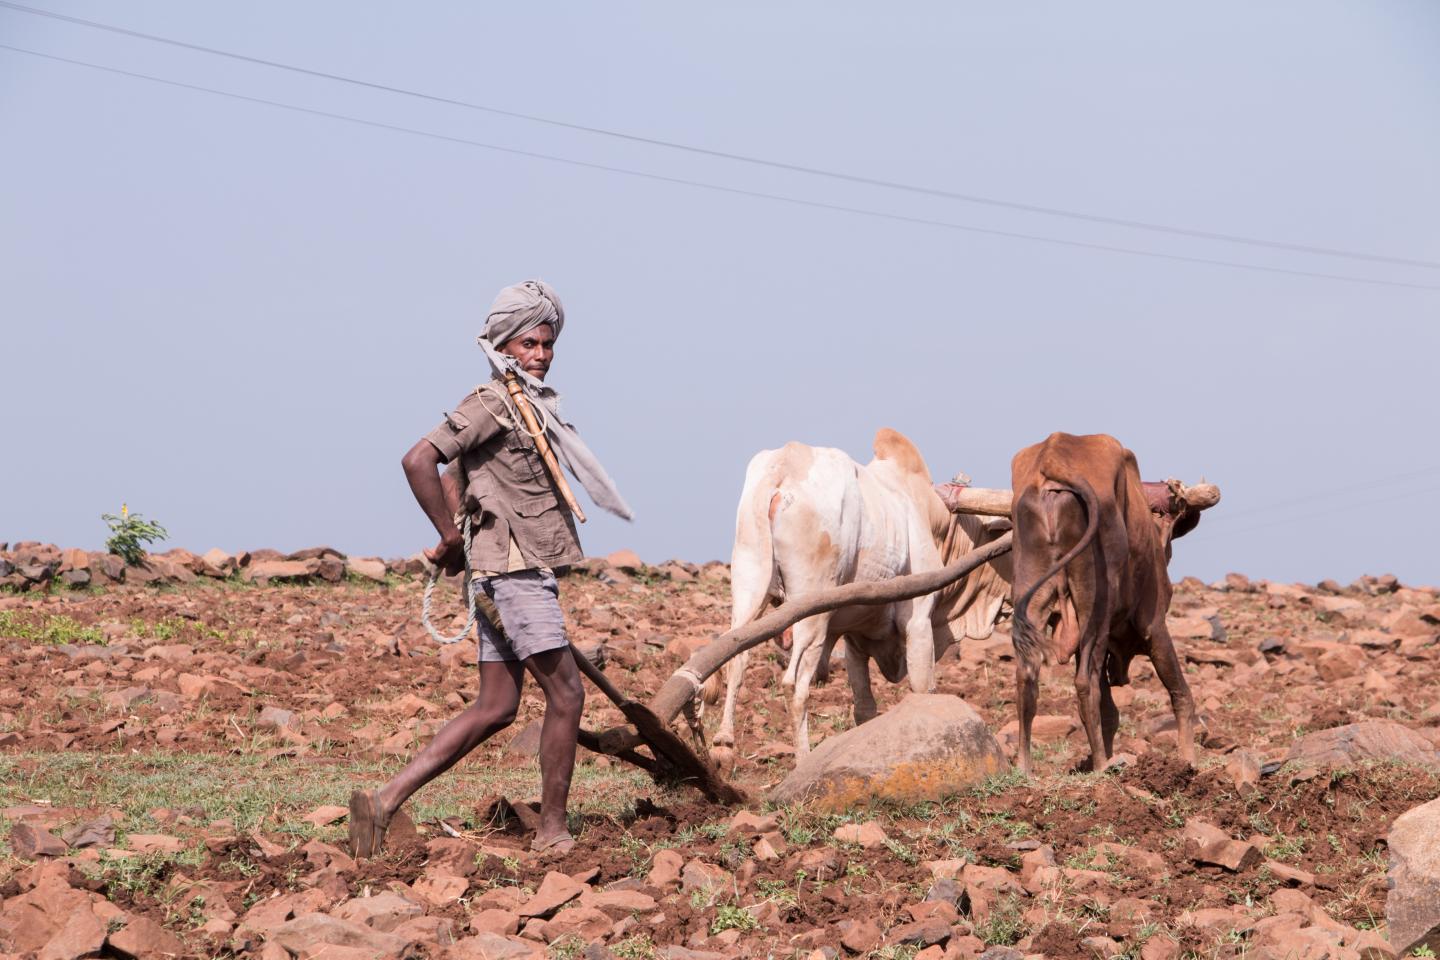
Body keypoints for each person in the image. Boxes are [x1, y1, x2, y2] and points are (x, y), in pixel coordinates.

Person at [350, 280, 632, 858]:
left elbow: (460, 472)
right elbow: (419, 460)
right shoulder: (494, 402)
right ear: (504, 345)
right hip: (513, 571)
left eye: (547, 344)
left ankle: (383, 802)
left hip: (506, 568)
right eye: (529, 343)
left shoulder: (526, 404)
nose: (541, 354)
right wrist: (450, 534)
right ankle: (553, 830)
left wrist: (460, 526)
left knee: (497, 706)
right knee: (568, 695)